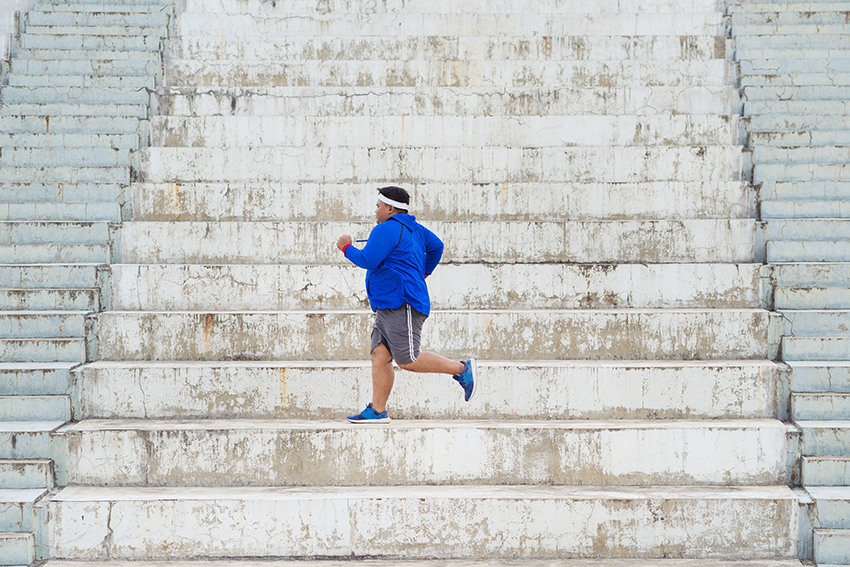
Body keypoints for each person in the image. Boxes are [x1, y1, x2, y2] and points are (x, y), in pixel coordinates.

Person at [336, 186, 475, 423]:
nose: (376, 210)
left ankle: (461, 368)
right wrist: (423, 274)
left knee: (408, 360)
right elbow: (437, 246)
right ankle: (377, 410)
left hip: (403, 303)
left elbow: (367, 259)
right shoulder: (415, 229)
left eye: (378, 206)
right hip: (388, 304)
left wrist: (346, 247)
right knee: (380, 355)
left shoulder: (385, 228)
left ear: (390, 208)